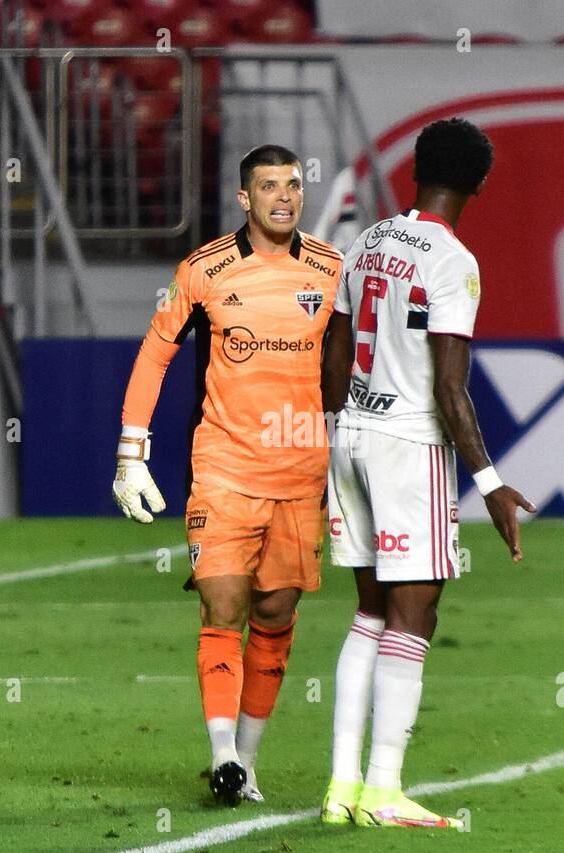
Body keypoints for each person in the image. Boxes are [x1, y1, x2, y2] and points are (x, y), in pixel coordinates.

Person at [319, 119, 534, 828]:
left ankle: (341, 788)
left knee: (369, 612)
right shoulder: (452, 260)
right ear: (479, 182)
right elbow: (450, 389)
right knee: (415, 616)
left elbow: (334, 353)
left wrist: (333, 437)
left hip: (351, 431)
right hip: (408, 445)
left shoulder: (366, 240)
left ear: (417, 170)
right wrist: (491, 481)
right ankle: (384, 790)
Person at [112, 144, 343, 804]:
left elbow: (343, 369)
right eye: (269, 186)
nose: (283, 197)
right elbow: (156, 355)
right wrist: (132, 451)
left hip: (300, 472)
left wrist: (353, 459)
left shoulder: (330, 269)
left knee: (275, 612)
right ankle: (221, 756)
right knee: (224, 603)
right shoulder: (205, 270)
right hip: (223, 466)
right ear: (244, 198)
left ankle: (246, 760)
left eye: (293, 185)